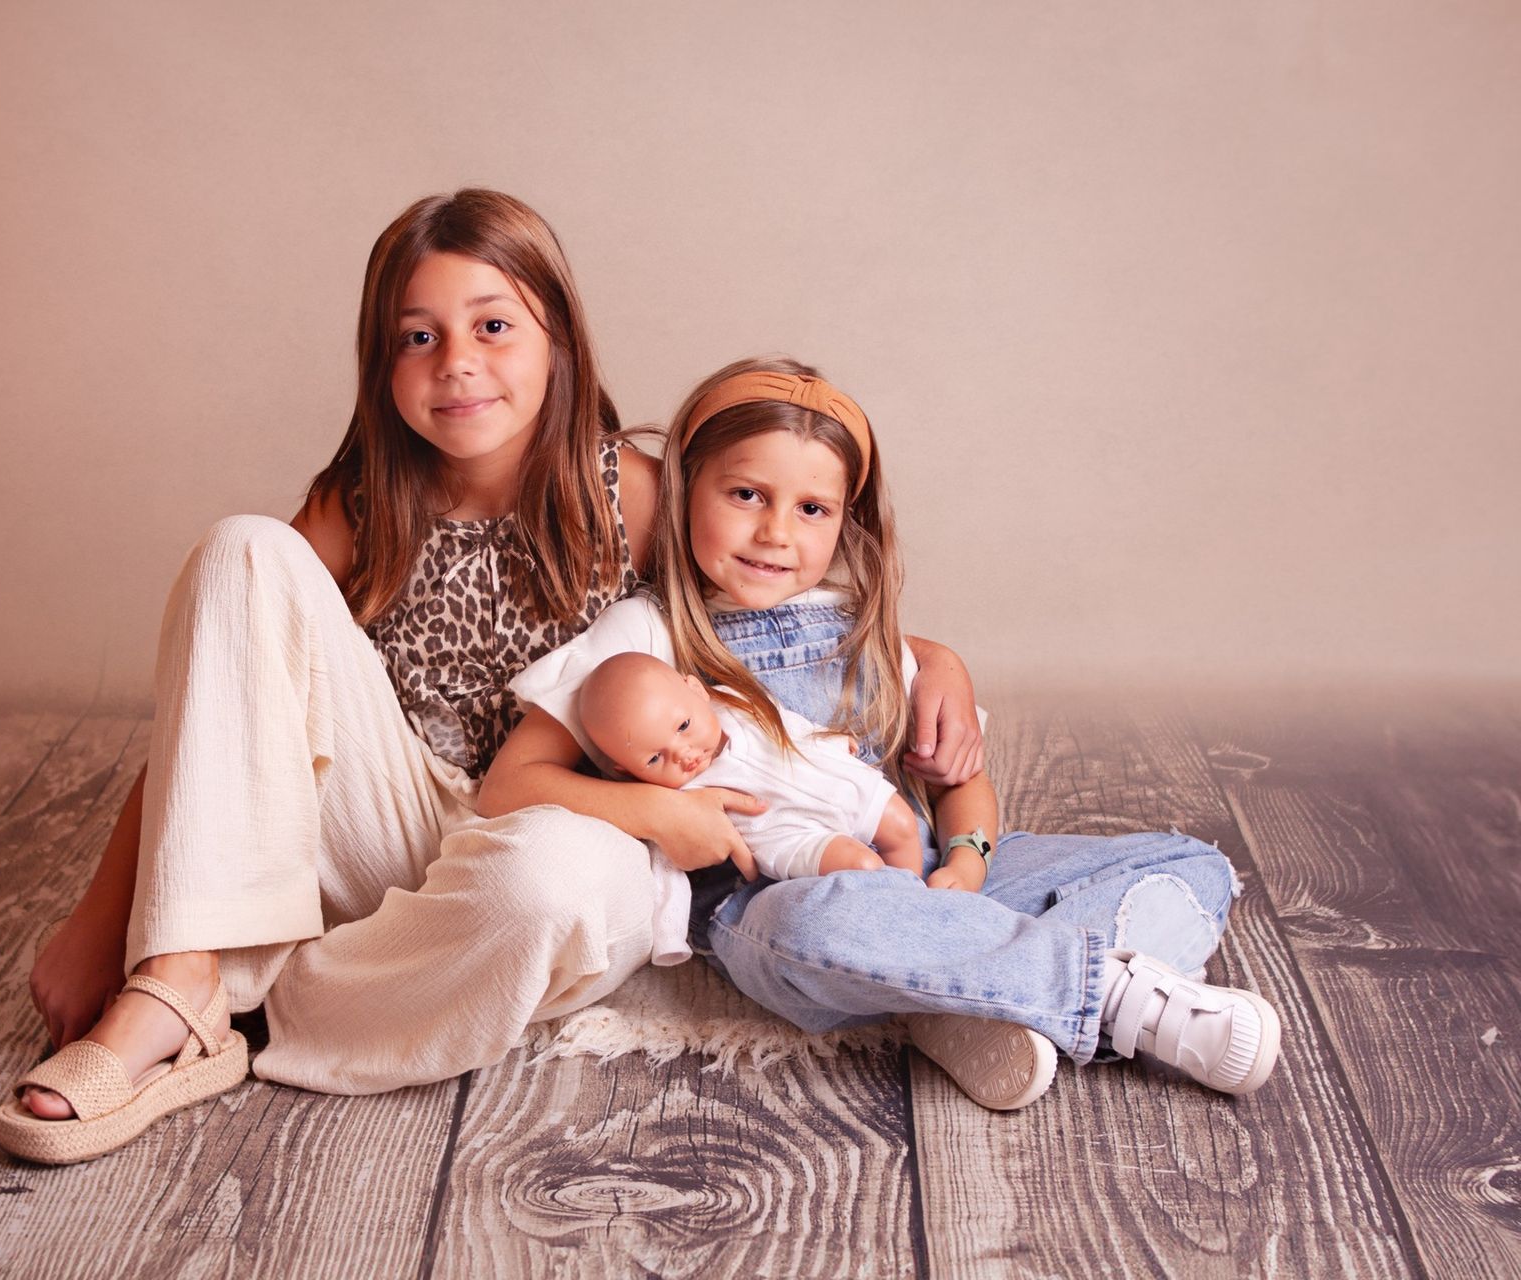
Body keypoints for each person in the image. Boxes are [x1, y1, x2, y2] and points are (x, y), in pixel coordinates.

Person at [0, 193, 987, 1163]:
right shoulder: (359, 506)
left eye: (494, 325)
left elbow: (767, 603)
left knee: (546, 886)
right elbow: (224, 705)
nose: (457, 361)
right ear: (382, 363)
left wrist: (931, 656)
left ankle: (269, 998)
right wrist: (104, 917)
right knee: (240, 550)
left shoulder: (632, 495)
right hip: (394, 819)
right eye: (417, 337)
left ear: (560, 341)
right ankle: (179, 978)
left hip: (573, 827)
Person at [484, 357, 1283, 1112]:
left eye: (811, 509)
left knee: (1195, 866)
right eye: (746, 495)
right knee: (822, 923)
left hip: (931, 883)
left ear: (845, 520)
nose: (776, 533)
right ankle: (1109, 995)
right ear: (687, 489)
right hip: (779, 904)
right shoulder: (646, 633)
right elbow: (508, 787)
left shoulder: (864, 633)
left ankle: (963, 994)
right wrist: (662, 811)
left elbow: (959, 782)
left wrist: (968, 864)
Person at [577, 650, 927, 880]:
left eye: (683, 726)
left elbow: (785, 723)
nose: (682, 754)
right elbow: (668, 871)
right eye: (655, 758)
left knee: (902, 824)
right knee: (862, 866)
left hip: (827, 782)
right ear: (628, 772)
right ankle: (891, 906)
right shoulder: (678, 798)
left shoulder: (736, 702)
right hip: (790, 836)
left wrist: (827, 740)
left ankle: (914, 898)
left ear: (697, 691)